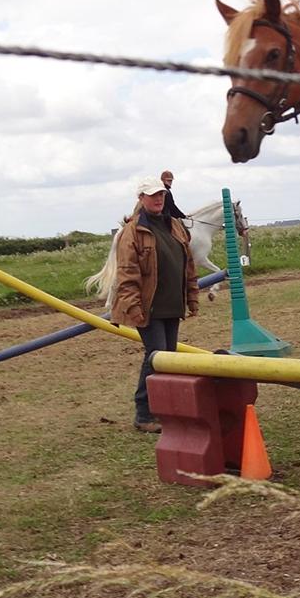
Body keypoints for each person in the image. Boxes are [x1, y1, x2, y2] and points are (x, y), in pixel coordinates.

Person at [111, 177, 200, 433]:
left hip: (172, 304)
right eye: (152, 195)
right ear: (141, 198)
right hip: (148, 307)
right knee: (156, 356)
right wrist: (134, 308)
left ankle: (164, 410)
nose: (158, 199)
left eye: (161, 194)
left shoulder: (175, 226)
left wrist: (192, 297)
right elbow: (127, 274)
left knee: (168, 359)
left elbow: (188, 265)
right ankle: (144, 414)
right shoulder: (133, 232)